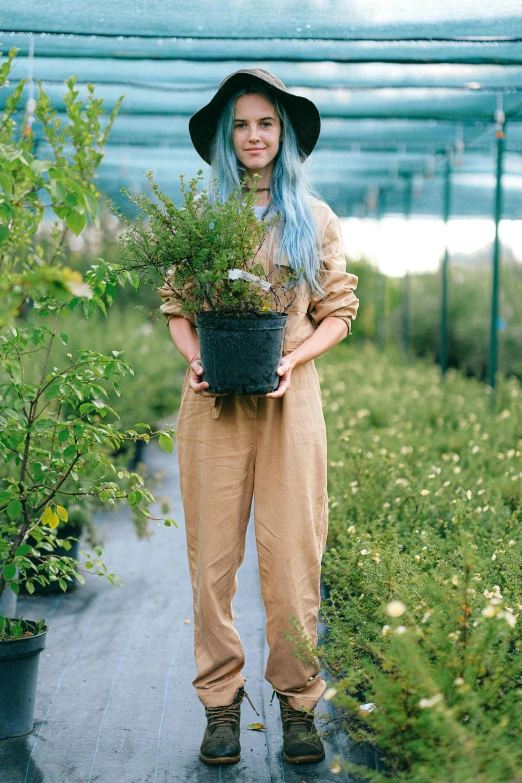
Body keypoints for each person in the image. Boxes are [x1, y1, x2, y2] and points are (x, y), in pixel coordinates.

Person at [158, 68, 359, 766]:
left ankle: (298, 704)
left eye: (265, 123)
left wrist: (293, 358)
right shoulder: (203, 215)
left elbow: (339, 312)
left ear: (284, 134)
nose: (253, 136)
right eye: (241, 125)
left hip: (288, 403)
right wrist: (194, 357)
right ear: (226, 135)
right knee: (212, 563)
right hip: (213, 404)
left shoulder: (316, 217)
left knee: (293, 559)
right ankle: (220, 705)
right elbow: (177, 306)